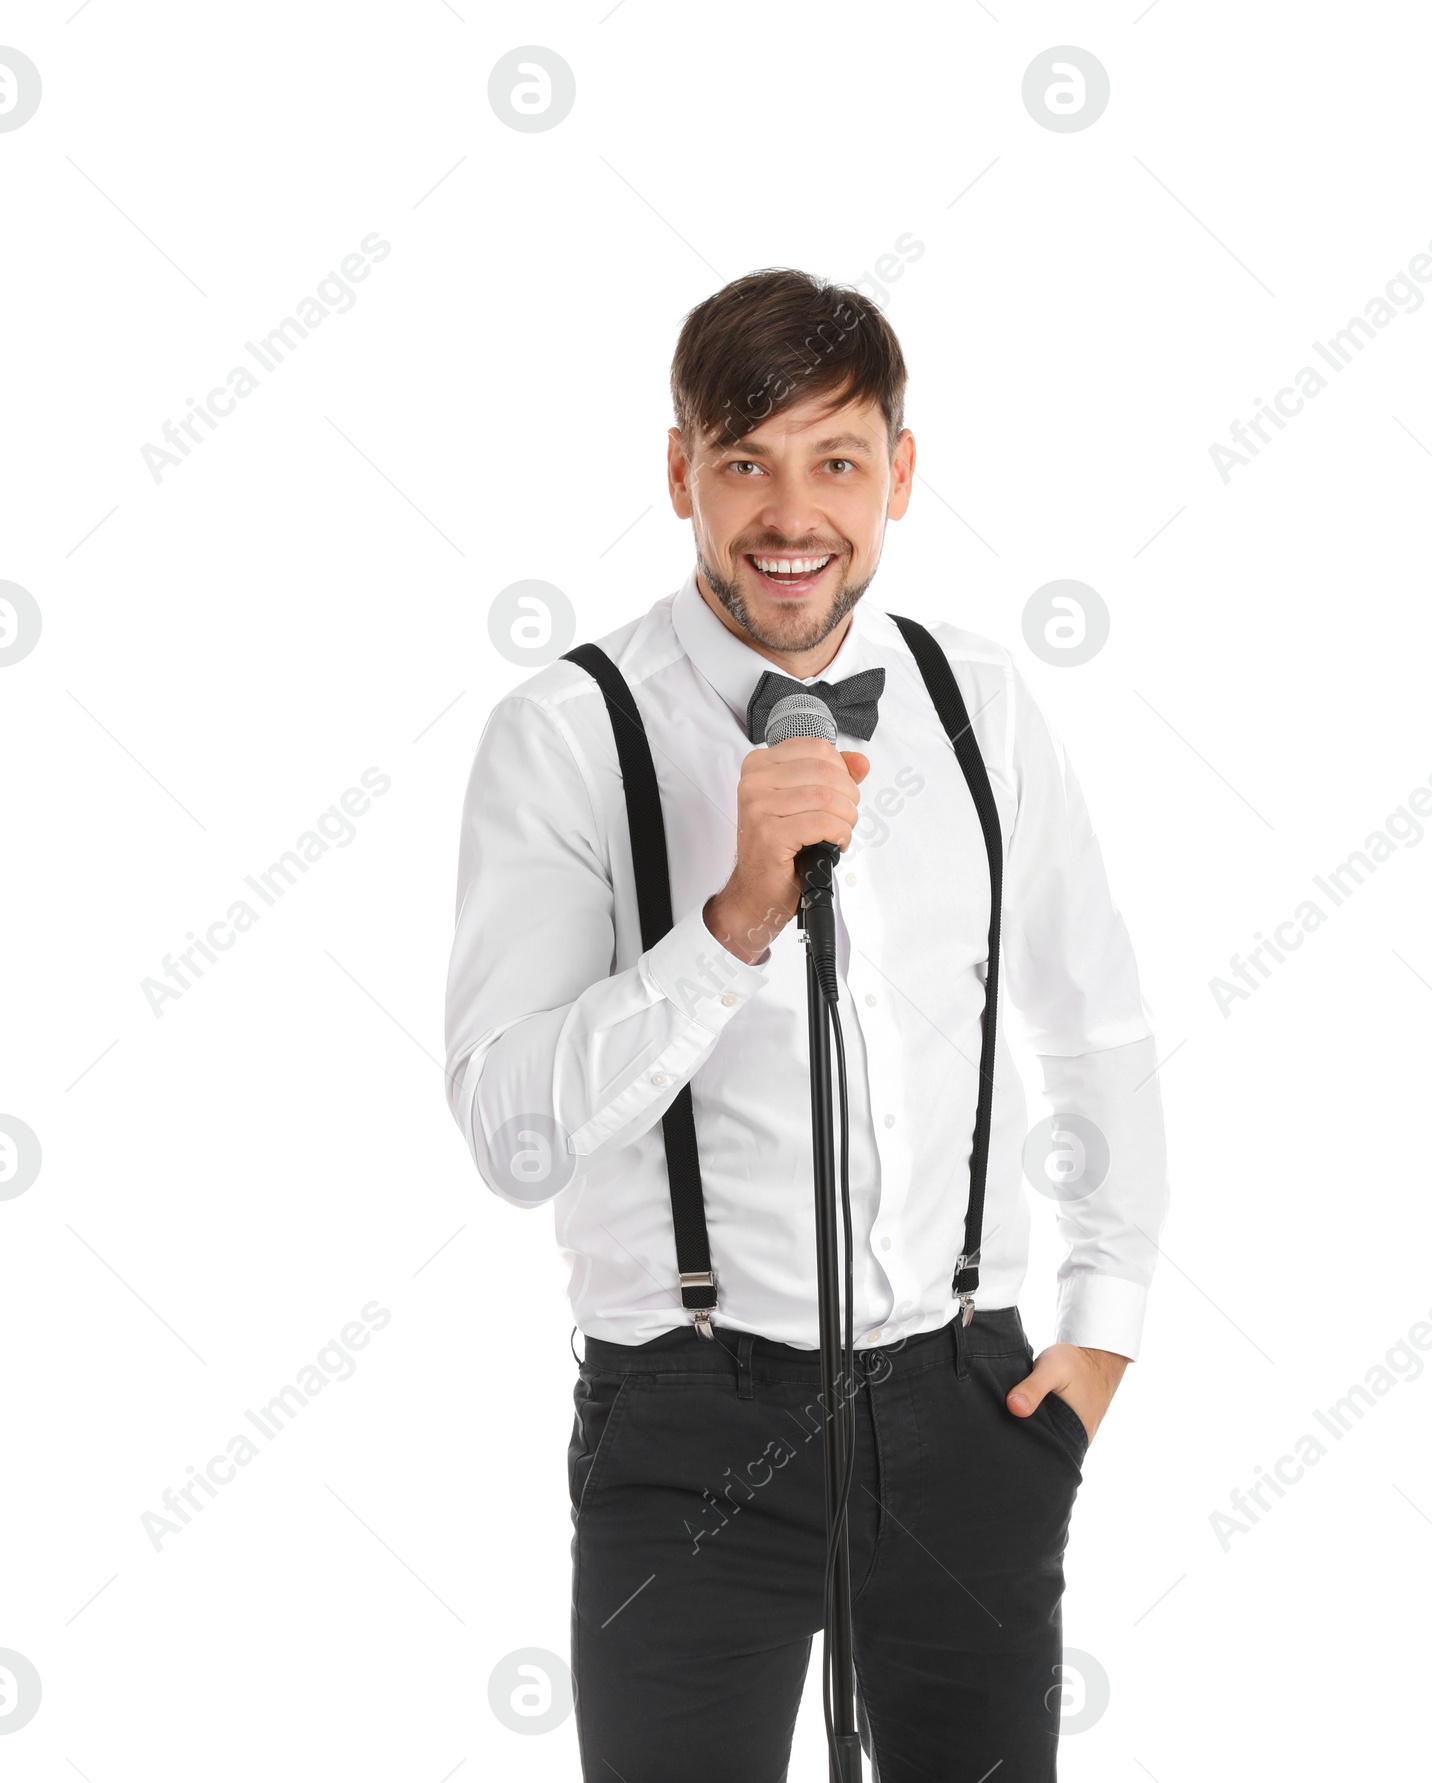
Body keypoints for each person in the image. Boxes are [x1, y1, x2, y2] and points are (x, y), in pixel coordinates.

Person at [443, 267, 1170, 1781]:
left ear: (900, 473)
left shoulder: (979, 702)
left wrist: (1099, 1335)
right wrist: (732, 923)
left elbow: (1092, 1023)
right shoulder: (569, 737)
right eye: (745, 463)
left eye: (836, 461)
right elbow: (514, 1136)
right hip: (689, 1427)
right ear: (678, 474)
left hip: (969, 1409)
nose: (792, 516)